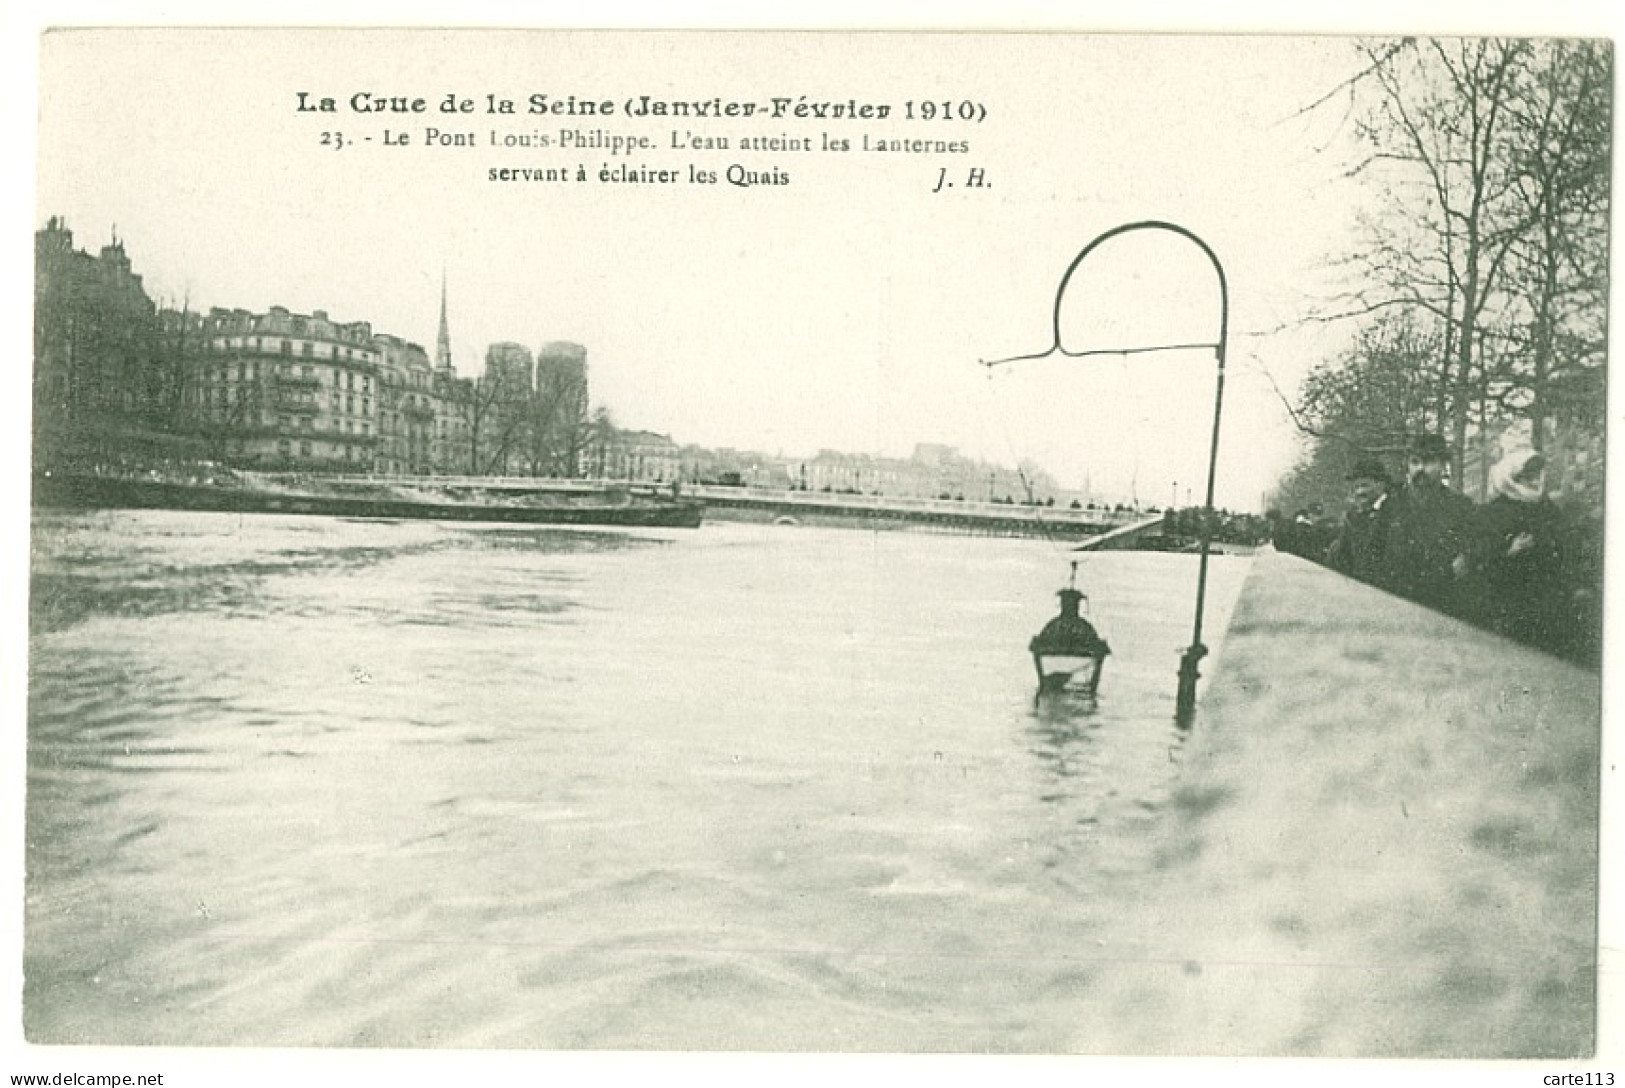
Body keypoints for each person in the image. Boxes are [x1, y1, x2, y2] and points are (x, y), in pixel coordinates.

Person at [1469, 446, 1580, 658]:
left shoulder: (1548, 510)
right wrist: (1510, 550)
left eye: (1538, 475)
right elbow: (1479, 557)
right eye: (1527, 476)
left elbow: (1565, 550)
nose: (1535, 482)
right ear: (1512, 477)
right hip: (1507, 602)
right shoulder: (1492, 512)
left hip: (1547, 604)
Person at [1380, 433, 1477, 617]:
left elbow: (1470, 554)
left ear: (1442, 465)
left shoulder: (1461, 507)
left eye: (1429, 462)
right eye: (1415, 462)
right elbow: (1375, 555)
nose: (1421, 469)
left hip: (1445, 605)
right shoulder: (1392, 506)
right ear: (1407, 466)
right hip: (1396, 604)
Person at [1324, 456, 1392, 583]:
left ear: (1380, 484)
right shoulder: (1353, 516)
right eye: (1356, 487)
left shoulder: (1395, 511)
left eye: (1365, 485)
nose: (1359, 492)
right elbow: (1343, 557)